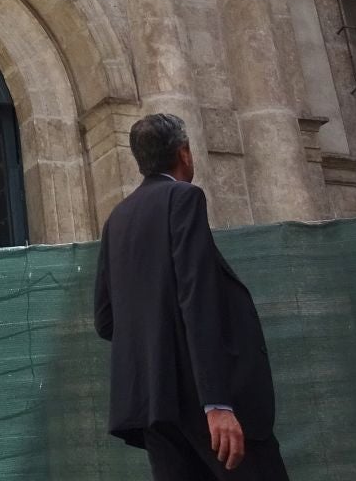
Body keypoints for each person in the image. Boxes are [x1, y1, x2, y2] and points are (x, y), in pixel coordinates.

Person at [93, 113, 289, 479]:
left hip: (151, 408)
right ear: (184, 153)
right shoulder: (183, 197)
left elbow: (106, 320)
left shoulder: (117, 219)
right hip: (202, 403)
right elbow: (197, 297)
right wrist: (216, 402)